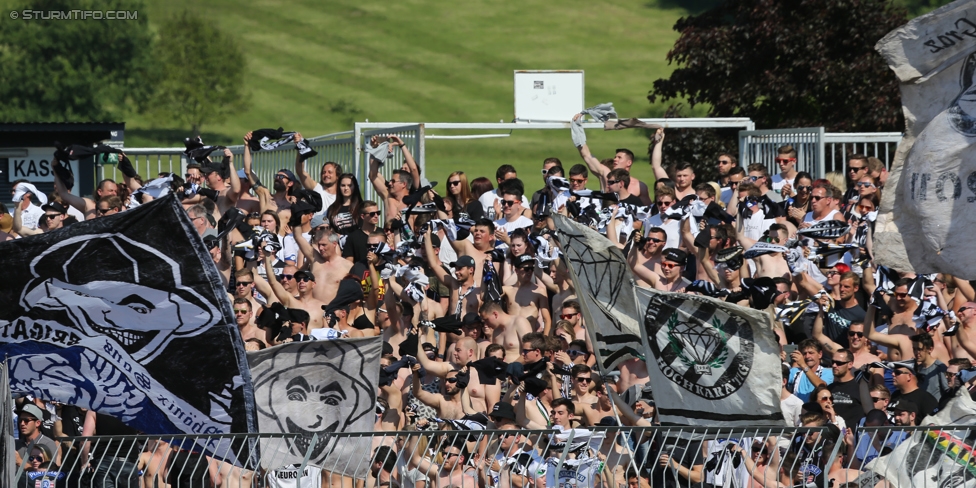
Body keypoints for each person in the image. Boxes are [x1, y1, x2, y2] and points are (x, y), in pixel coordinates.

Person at [15, 404, 59, 469]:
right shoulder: (16, 444)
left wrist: (20, 462)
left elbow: (47, 471)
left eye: (26, 420)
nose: (22, 423)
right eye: (20, 420)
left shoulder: (48, 444)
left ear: (37, 423)